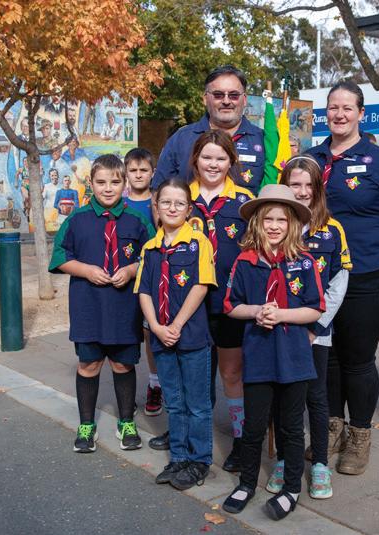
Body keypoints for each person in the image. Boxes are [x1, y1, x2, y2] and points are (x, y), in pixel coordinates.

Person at [305, 81, 379, 475]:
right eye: (333, 107)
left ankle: (360, 435)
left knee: (357, 358)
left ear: (360, 113)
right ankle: (332, 428)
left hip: (368, 275)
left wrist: (374, 244)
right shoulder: (312, 159)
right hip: (319, 275)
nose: (339, 114)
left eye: (347, 108)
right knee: (329, 357)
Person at [221, 184, 324, 520]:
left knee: (291, 427)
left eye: (282, 219)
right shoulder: (245, 262)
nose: (275, 226)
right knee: (253, 426)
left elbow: (315, 308)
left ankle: (291, 488)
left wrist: (281, 315)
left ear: (292, 224)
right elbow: (231, 305)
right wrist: (256, 311)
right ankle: (246, 483)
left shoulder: (305, 262)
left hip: (294, 358)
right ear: (257, 223)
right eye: (268, 219)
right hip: (260, 356)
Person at [48, 154, 156, 454]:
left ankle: (126, 421)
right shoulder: (77, 219)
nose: (108, 188)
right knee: (89, 364)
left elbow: (152, 257)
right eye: (101, 182)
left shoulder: (138, 221)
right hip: (88, 306)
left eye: (115, 182)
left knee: (123, 364)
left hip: (124, 307)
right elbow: (59, 257)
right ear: (91, 184)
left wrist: (132, 270)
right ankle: (86, 425)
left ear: (124, 184)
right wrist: (86, 270)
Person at [271, 156, 351, 500]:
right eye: (295, 185)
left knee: (316, 398)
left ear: (318, 189)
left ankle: (319, 463)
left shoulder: (332, 229)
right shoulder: (273, 225)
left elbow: (338, 282)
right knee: (281, 396)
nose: (302, 192)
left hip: (316, 332)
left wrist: (315, 326)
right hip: (279, 330)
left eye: (309, 185)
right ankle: (283, 459)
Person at [135, 179, 217, 491]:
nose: (172, 208)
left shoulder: (198, 242)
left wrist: (177, 325)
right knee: (174, 401)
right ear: (156, 207)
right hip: (161, 337)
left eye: (179, 203)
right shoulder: (150, 248)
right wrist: (156, 327)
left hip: (191, 335)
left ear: (189, 209)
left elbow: (201, 285)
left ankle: (200, 460)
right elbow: (144, 290)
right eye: (166, 202)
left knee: (197, 404)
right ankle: (179, 457)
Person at [180, 130, 255, 471]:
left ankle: (241, 438)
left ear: (231, 162)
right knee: (196, 374)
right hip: (191, 303)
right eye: (207, 157)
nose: (213, 164)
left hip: (230, 303)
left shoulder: (244, 201)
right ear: (195, 160)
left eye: (221, 158)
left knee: (231, 372)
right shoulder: (181, 199)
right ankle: (193, 436)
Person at [152, 65, 267, 193]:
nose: (226, 101)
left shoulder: (263, 140)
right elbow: (158, 193)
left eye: (234, 95)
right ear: (205, 99)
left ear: (244, 99)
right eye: (218, 95)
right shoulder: (181, 139)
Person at [122, 148, 160, 416]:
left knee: (150, 332)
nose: (138, 175)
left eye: (143, 170)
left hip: (152, 277)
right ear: (126, 172)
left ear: (152, 173)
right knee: (126, 334)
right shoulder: (119, 203)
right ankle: (125, 392)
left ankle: (155, 384)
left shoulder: (158, 202)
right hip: (124, 278)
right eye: (133, 170)